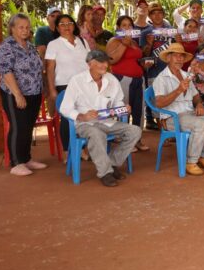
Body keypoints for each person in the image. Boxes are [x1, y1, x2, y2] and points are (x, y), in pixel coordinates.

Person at [60, 50, 142, 187]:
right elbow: (64, 108)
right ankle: (105, 173)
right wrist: (82, 116)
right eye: (100, 62)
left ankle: (111, 163)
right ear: (89, 64)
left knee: (135, 131)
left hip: (107, 122)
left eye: (105, 62)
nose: (104, 65)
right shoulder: (77, 81)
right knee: (96, 134)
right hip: (85, 124)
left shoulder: (112, 79)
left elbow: (118, 102)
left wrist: (123, 108)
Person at [152, 43, 204, 175]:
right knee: (201, 124)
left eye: (181, 56)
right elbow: (159, 103)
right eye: (175, 56)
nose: (179, 59)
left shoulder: (185, 74)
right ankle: (191, 162)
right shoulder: (161, 78)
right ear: (168, 58)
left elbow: (196, 96)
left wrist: (199, 104)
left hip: (190, 114)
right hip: (172, 118)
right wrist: (178, 90)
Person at [0, 13, 46, 176]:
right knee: (18, 126)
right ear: (12, 29)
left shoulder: (30, 46)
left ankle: (26, 159)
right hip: (15, 93)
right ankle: (16, 162)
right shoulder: (6, 47)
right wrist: (18, 94)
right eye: (21, 27)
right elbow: (6, 72)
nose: (25, 30)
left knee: (28, 126)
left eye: (27, 27)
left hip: (34, 93)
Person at [45, 14, 90, 151]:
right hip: (65, 86)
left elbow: (90, 62)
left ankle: (84, 148)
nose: (66, 26)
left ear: (74, 25)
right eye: (62, 24)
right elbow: (50, 68)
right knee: (68, 119)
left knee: (85, 115)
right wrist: (52, 90)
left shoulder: (82, 41)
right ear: (57, 28)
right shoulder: (54, 44)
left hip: (85, 85)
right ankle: (68, 151)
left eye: (69, 23)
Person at [106, 15, 148, 151]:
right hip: (123, 79)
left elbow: (137, 59)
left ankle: (137, 139)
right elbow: (111, 60)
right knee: (124, 109)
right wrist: (124, 44)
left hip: (138, 80)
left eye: (130, 25)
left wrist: (144, 63)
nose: (127, 28)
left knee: (138, 111)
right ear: (118, 28)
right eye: (124, 25)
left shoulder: (134, 43)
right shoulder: (114, 41)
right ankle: (124, 140)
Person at [140, 2, 174, 130]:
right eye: (154, 13)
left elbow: (178, 49)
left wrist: (179, 39)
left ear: (163, 14)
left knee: (171, 101)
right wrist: (149, 44)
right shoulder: (146, 32)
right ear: (150, 16)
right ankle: (163, 132)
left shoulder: (171, 30)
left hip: (171, 71)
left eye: (160, 12)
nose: (157, 15)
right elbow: (143, 56)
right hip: (154, 72)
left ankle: (171, 129)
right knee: (158, 102)